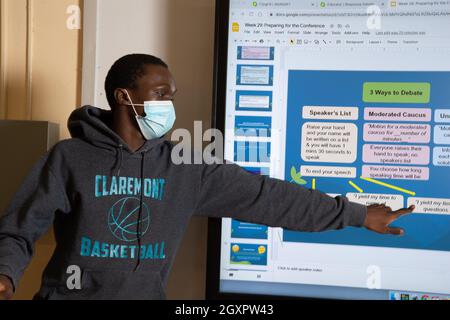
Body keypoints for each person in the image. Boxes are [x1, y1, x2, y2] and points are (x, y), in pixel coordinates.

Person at [0, 54, 414, 300]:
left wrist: (357, 214)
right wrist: (5, 274)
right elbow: (20, 228)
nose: (169, 105)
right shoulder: (69, 157)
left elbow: (269, 197)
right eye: (161, 94)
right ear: (123, 97)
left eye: (171, 96)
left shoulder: (187, 168)